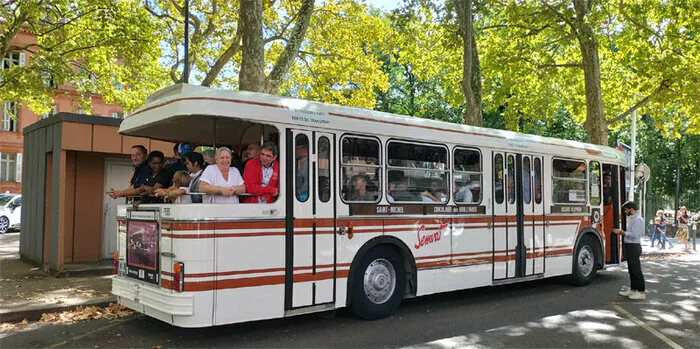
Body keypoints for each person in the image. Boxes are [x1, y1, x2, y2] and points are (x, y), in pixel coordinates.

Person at [614, 201, 646, 300]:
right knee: (631, 269)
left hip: (634, 246)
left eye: (626, 209)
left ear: (631, 209)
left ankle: (641, 292)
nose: (625, 211)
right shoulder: (633, 219)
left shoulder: (638, 220)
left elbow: (635, 235)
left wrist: (622, 232)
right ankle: (633, 289)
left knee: (636, 270)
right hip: (630, 245)